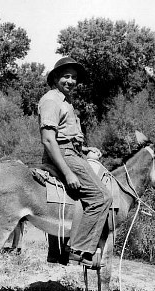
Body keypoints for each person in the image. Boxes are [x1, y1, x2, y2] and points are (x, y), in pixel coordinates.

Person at [38, 56, 112, 267]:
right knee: (101, 196)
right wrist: (68, 173)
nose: (71, 81)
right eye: (66, 76)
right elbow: (49, 140)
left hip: (73, 152)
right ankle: (78, 249)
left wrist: (86, 149)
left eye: (74, 78)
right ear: (55, 78)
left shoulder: (65, 101)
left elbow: (65, 135)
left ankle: (60, 247)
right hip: (63, 155)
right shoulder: (52, 100)